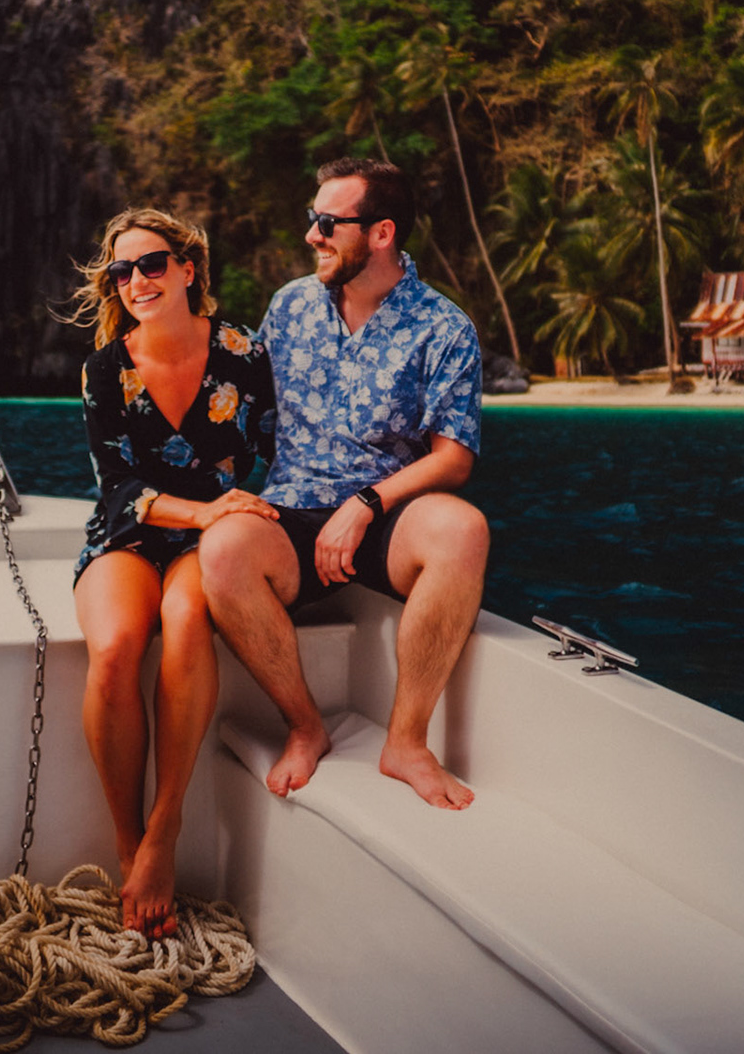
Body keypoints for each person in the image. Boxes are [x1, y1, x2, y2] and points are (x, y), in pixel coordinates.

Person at [199, 158, 489, 810]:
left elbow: (454, 458)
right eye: (312, 220)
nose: (312, 236)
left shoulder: (443, 328)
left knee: (462, 529)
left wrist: (366, 503)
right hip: (294, 505)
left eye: (328, 223)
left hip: (385, 510)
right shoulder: (291, 306)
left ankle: (407, 742)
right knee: (221, 550)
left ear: (381, 232)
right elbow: (248, 415)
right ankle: (306, 727)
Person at [68, 208, 278, 936]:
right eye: (122, 272)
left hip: (210, 539)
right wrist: (203, 513)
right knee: (119, 647)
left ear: (189, 268)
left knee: (186, 619)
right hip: (134, 528)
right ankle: (129, 844)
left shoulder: (244, 353)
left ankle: (166, 827)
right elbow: (118, 487)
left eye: (152, 264)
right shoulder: (104, 370)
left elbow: (275, 451)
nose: (137, 281)